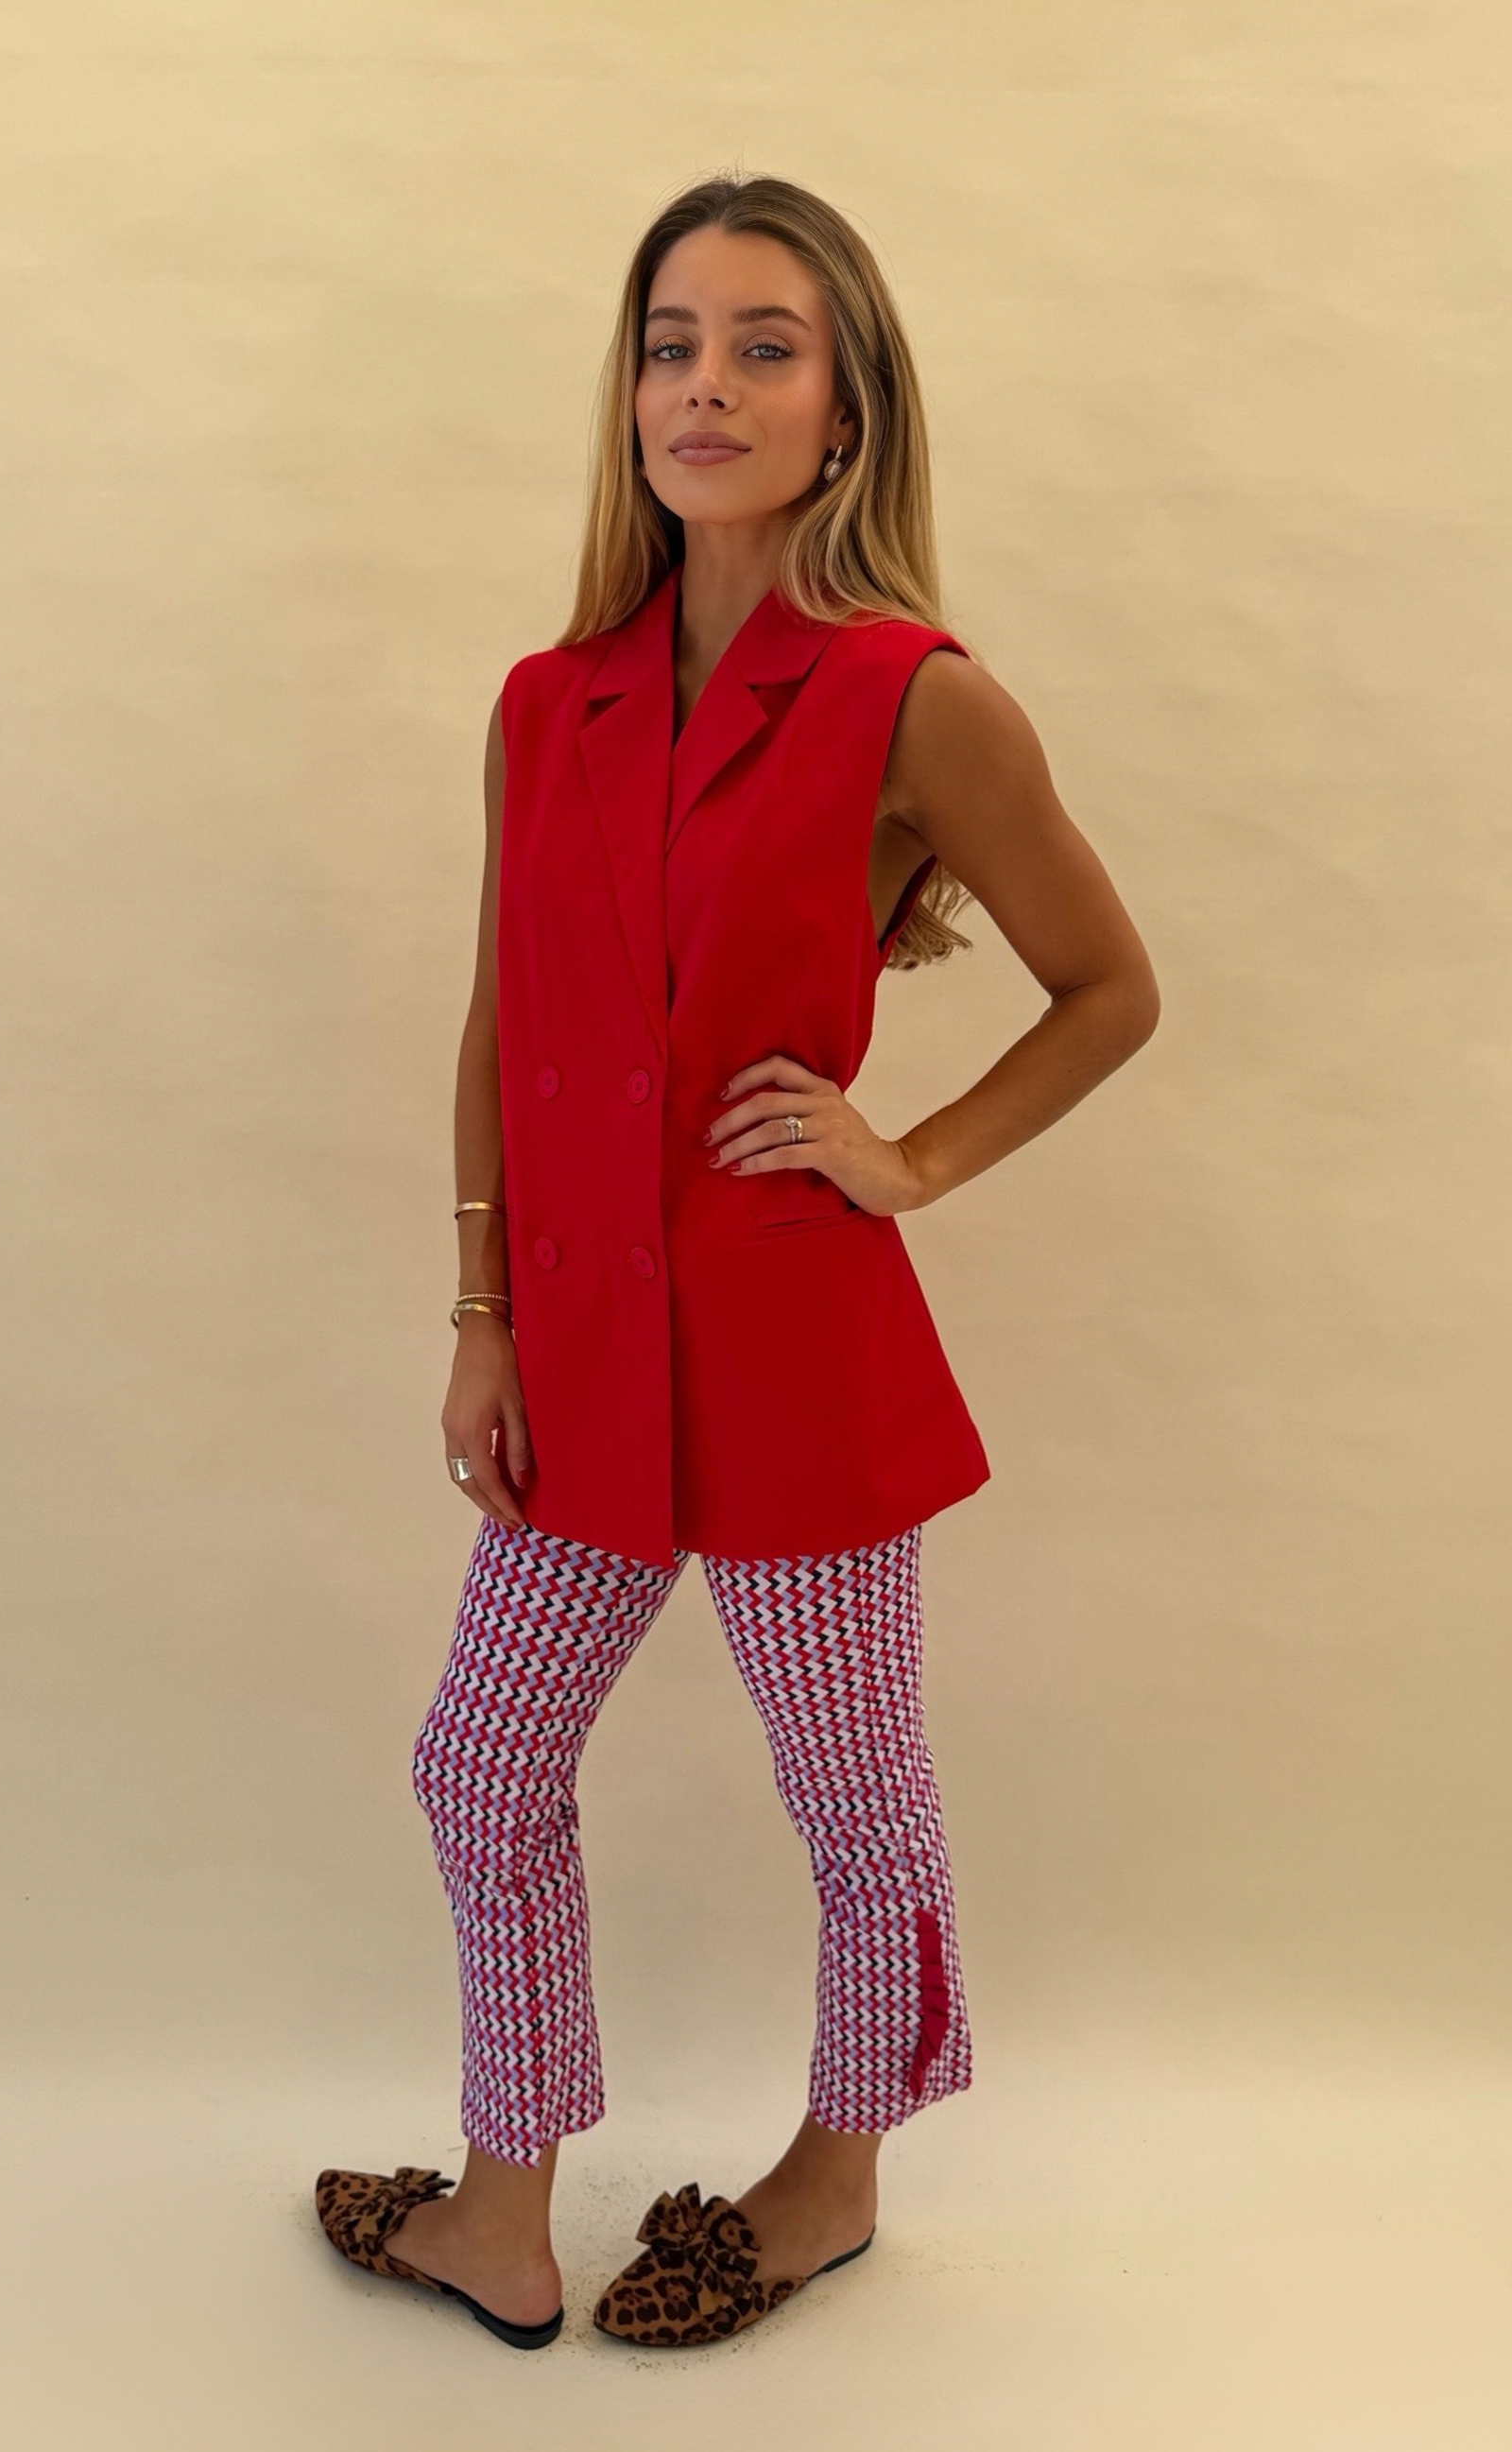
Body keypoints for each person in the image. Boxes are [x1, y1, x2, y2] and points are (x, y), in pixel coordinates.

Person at [317, 173, 1160, 2352]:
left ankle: (838, 2171)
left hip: (792, 1343)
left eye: (763, 347)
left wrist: (911, 1157)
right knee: (479, 1761)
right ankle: (507, 2204)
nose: (705, 385)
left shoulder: (911, 697)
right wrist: (483, 1318)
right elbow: (501, 1023)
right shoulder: (547, 700)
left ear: (844, 410)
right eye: (670, 344)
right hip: (581, 1349)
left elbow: (1109, 988)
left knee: (851, 1791)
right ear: (629, 396)